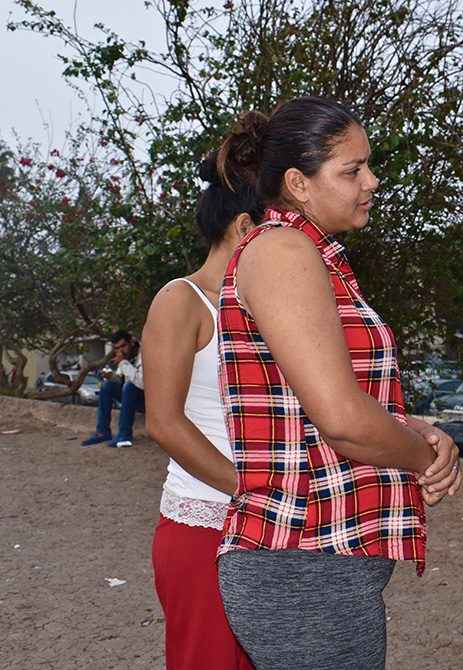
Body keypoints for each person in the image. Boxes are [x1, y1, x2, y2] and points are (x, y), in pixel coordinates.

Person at [212, 96, 461, 670]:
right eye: (352, 170)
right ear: (298, 183)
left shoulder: (307, 254)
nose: (372, 181)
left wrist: (418, 429)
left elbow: (318, 405)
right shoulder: (282, 251)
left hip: (316, 563)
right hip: (301, 562)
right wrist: (423, 454)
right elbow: (342, 420)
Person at [142, 151, 264, 670]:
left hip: (269, 530)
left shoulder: (267, 307)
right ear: (243, 227)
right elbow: (164, 423)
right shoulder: (182, 301)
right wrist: (254, 493)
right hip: (205, 531)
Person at [81, 330, 144, 447]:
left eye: (123, 346)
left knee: (130, 386)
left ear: (131, 342)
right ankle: (102, 431)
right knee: (106, 386)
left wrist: (123, 363)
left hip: (149, 402)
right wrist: (111, 377)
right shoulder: (125, 357)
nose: (121, 351)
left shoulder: (145, 354)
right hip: (132, 399)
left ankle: (125, 434)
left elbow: (141, 383)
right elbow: (121, 380)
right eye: (118, 348)